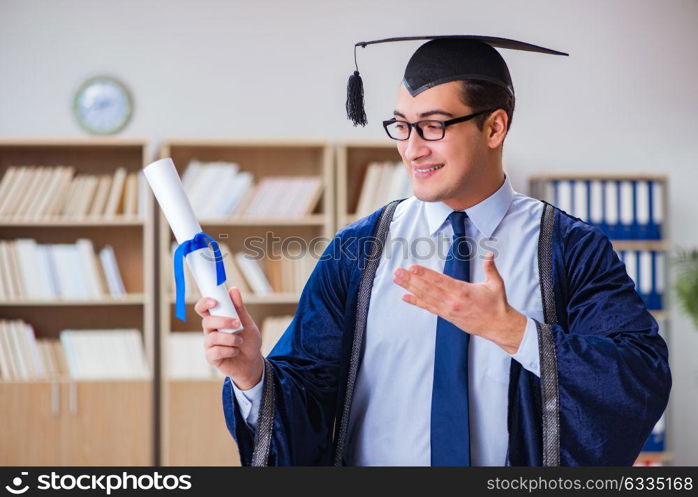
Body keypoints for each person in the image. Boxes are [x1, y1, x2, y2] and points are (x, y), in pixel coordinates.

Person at [195, 36, 671, 466]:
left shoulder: (569, 248)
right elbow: (308, 396)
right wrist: (252, 375)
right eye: (401, 127)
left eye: (433, 126)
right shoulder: (357, 251)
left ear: (494, 128)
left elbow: (638, 377)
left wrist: (515, 332)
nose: (411, 149)